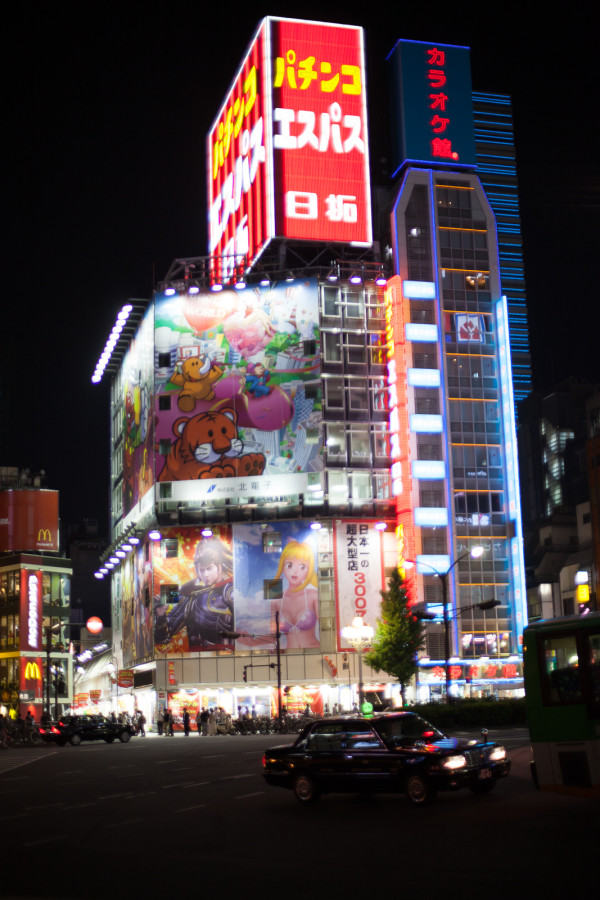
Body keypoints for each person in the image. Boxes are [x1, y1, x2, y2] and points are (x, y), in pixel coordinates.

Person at [154, 537, 234, 651]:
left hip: (226, 658)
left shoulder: (229, 591)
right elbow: (162, 639)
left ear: (219, 568)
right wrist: (161, 615)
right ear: (197, 570)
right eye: (202, 570)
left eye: (209, 568)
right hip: (193, 660)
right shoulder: (190, 596)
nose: (205, 575)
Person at [273, 540, 319, 649]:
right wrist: (251, 641)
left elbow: (327, 629)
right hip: (288, 656)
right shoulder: (277, 600)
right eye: (290, 565)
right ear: (282, 566)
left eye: (302, 567)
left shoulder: (313, 596)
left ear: (309, 571)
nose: (295, 572)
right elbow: (273, 636)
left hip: (314, 653)